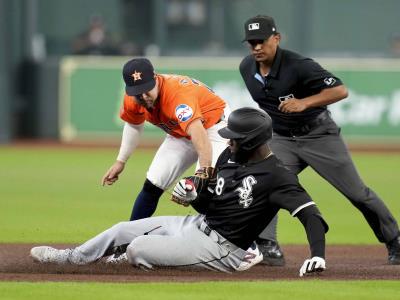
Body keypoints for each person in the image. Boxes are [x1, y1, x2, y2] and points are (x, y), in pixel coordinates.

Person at [30, 107, 328, 277]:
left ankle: (130, 262)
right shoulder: (227, 157)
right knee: (123, 230)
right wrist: (194, 197)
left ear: (251, 142)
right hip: (199, 226)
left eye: (234, 139)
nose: (228, 143)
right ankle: (72, 257)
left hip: (223, 249)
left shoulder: (278, 176)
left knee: (138, 248)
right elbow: (209, 206)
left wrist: (318, 256)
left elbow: (311, 215)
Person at [239, 15, 400, 266]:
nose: (257, 47)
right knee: (265, 184)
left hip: (318, 135)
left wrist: (304, 103)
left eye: (261, 41)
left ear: (276, 38)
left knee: (357, 193)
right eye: (251, 43)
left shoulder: (299, 65)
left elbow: (340, 90)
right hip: (282, 138)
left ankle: (395, 240)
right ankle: (267, 245)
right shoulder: (246, 68)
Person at [102, 58, 230, 228]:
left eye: (147, 89)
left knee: (205, 191)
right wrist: (121, 160)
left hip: (214, 127)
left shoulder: (177, 94)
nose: (143, 96)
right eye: (137, 92)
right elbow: (133, 125)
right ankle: (127, 242)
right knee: (153, 185)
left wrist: (203, 172)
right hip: (180, 132)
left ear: (155, 78)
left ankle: (247, 246)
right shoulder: (133, 99)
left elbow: (198, 131)